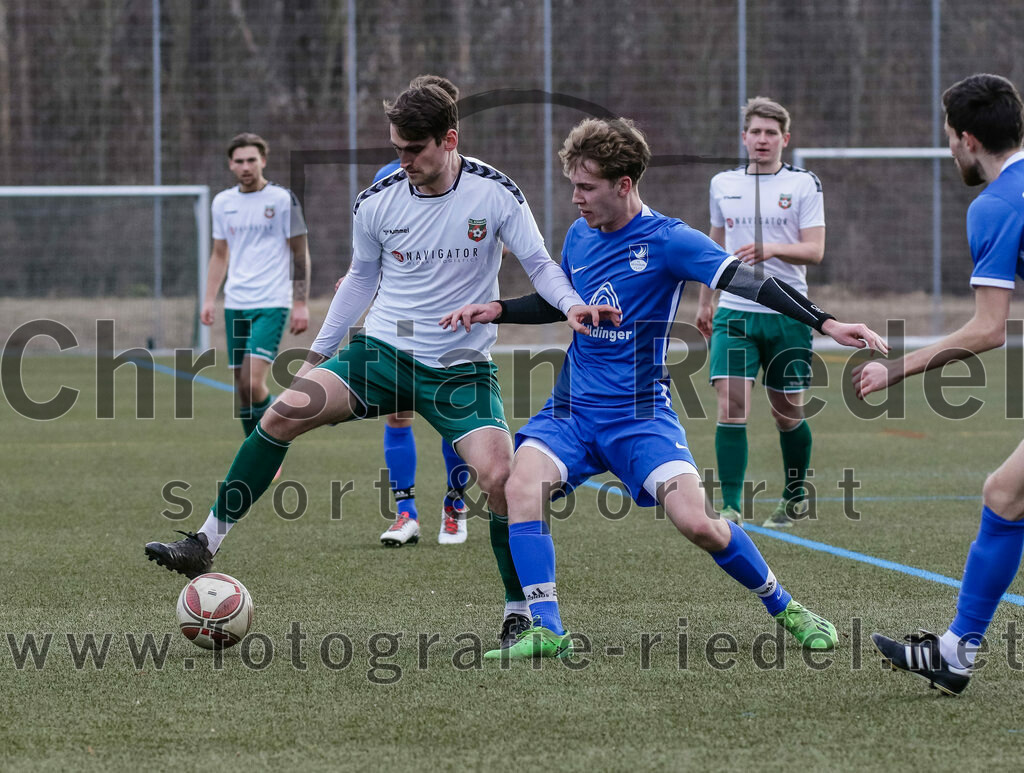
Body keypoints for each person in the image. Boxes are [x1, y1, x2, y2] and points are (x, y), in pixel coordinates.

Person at [146, 81, 613, 650]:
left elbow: (539, 265)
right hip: (382, 353)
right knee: (279, 416)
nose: (405, 161)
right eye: (397, 149)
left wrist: (571, 307)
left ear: (449, 139)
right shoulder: (379, 199)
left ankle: (520, 611)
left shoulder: (496, 193)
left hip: (460, 367)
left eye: (415, 149)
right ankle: (204, 542)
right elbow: (361, 278)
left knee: (500, 481)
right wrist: (318, 354)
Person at [441, 117, 886, 659]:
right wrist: (500, 309)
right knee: (519, 486)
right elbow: (560, 299)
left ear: (623, 185)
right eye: (573, 186)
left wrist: (827, 323)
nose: (575, 198)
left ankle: (786, 606)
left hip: (640, 417)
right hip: (573, 412)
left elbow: (748, 281)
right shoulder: (581, 233)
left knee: (700, 524)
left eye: (587, 187)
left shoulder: (670, 240)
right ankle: (547, 627)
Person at [856, 73, 1024, 697]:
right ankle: (956, 651)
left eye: (949, 136)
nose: (949, 147)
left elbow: (987, 330)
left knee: (1007, 496)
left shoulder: (998, 205)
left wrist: (896, 369)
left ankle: (957, 650)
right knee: (1006, 496)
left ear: (969, 139)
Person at [696, 97, 825, 528]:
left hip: (788, 312)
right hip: (734, 311)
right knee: (731, 405)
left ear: (785, 139)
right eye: (756, 132)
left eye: (772, 133)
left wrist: (773, 249)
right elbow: (712, 248)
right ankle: (730, 505)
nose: (763, 140)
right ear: (744, 137)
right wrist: (704, 301)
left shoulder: (805, 184)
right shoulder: (722, 183)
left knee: (787, 411)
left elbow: (815, 250)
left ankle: (793, 498)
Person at [366, 75, 471, 548]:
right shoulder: (387, 182)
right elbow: (375, 249)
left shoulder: (477, 182)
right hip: (403, 316)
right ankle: (405, 513)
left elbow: (500, 244)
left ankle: (455, 506)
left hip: (453, 317)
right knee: (399, 415)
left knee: (453, 416)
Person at [201, 133, 311, 459]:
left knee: (251, 382)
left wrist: (301, 302)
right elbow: (220, 255)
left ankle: (270, 443)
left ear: (263, 160)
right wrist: (209, 299)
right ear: (230, 164)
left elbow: (300, 253)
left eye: (252, 160)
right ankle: (258, 455)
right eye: (239, 161)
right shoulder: (222, 203)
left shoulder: (281, 199)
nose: (246, 166)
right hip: (236, 304)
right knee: (242, 389)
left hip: (272, 302)